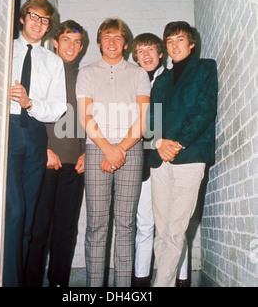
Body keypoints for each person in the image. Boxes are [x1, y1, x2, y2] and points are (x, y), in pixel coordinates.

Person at [76, 18, 151, 287]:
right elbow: (85, 117)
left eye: (118, 38)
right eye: (107, 37)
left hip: (131, 150)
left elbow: (143, 119)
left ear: (125, 43)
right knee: (97, 224)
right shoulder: (86, 73)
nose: (112, 42)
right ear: (98, 43)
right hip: (97, 149)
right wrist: (108, 149)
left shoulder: (138, 74)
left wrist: (120, 150)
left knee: (126, 225)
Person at [148, 21, 218, 287]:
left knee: (176, 230)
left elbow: (204, 109)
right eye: (169, 41)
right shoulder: (162, 79)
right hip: (159, 159)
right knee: (161, 230)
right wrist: (158, 143)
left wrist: (177, 143)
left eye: (179, 40)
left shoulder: (205, 68)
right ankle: (162, 281)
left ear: (191, 43)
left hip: (189, 156)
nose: (174, 45)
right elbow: (151, 117)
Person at [3, 0, 67, 287]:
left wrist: (30, 103)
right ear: (21, 18)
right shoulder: (4, 48)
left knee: (28, 220)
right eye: (34, 16)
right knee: (15, 212)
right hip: (8, 130)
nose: (39, 24)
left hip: (35, 135)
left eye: (45, 20)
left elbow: (57, 108)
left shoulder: (53, 62)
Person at [24, 20, 86, 287]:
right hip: (46, 161)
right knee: (39, 230)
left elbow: (91, 119)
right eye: (66, 40)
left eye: (76, 42)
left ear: (81, 47)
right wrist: (44, 150)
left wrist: (87, 153)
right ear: (55, 43)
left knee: (66, 229)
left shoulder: (85, 78)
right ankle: (31, 281)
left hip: (76, 164)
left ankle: (59, 282)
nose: (71, 46)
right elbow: (31, 112)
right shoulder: (44, 71)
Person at [131, 33, 190, 287]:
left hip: (169, 160)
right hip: (143, 163)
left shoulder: (173, 78)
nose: (146, 55)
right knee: (144, 224)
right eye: (141, 51)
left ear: (161, 53)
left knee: (174, 227)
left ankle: (181, 280)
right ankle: (141, 282)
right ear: (135, 56)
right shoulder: (132, 81)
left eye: (151, 50)